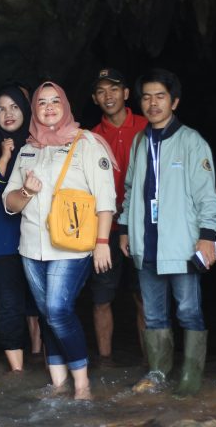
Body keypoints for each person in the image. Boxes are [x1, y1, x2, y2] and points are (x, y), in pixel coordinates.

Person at [3, 81, 116, 401]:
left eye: (55, 101)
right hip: (31, 248)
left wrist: (103, 241)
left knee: (57, 310)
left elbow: (105, 198)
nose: (49, 107)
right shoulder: (28, 149)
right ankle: (58, 383)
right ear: (34, 110)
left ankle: (81, 384)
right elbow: (9, 203)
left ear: (65, 106)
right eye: (41, 102)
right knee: (46, 313)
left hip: (70, 247)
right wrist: (26, 191)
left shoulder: (86, 143)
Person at [119, 68, 216, 397]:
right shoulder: (140, 141)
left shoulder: (192, 142)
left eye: (160, 97)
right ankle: (158, 373)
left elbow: (207, 195)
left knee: (188, 310)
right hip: (146, 242)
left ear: (174, 102)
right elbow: (130, 188)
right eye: (147, 97)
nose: (153, 103)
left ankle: (190, 377)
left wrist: (207, 235)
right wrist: (125, 229)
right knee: (153, 313)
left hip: (181, 244)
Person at [0, 83, 41, 372]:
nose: (8, 114)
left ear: (25, 110)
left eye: (14, 107)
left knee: (40, 300)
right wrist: (3, 157)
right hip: (2, 237)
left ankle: (38, 353)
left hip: (37, 234)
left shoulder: (41, 145)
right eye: (1, 109)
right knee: (10, 302)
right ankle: (17, 370)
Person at [89, 68, 147, 361]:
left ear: (126, 94)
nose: (108, 96)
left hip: (142, 227)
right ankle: (105, 364)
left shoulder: (148, 127)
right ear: (94, 98)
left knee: (144, 297)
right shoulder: (90, 138)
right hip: (105, 230)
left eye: (114, 89)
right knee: (101, 298)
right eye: (101, 91)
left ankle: (152, 365)